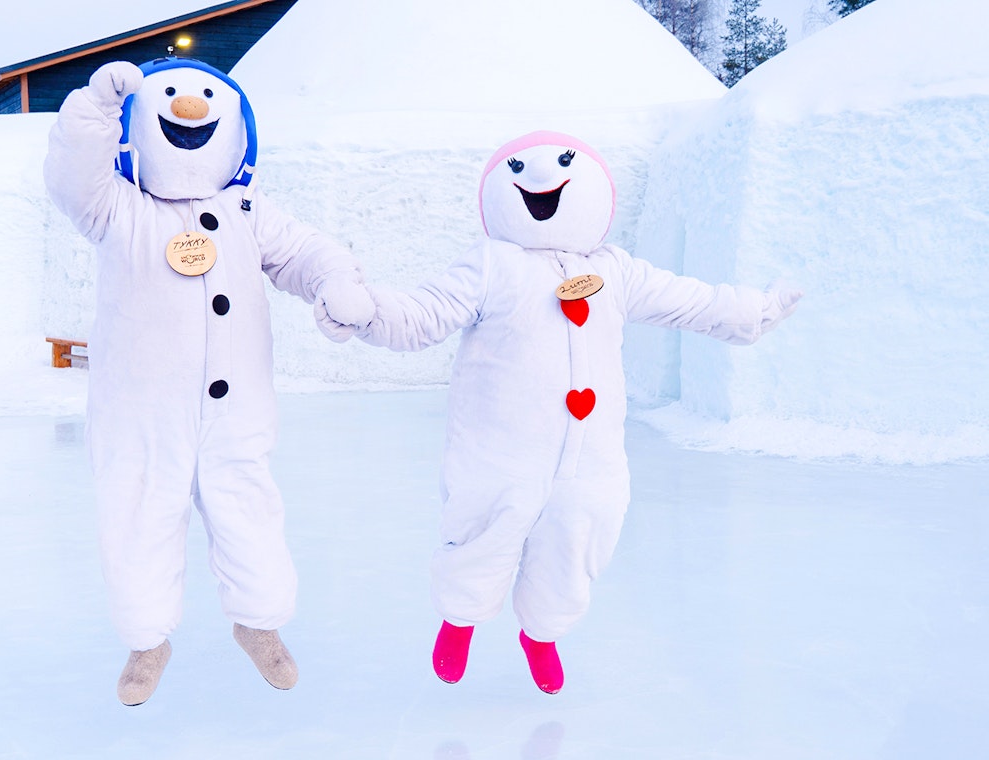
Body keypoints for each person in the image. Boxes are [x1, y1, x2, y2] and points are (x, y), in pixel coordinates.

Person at [339, 131, 801, 693]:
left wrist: (756, 311)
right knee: (482, 533)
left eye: (561, 168)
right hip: (499, 452)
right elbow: (424, 314)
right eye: (519, 172)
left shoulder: (615, 270)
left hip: (591, 460)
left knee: (578, 542)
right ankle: (459, 620)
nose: (540, 182)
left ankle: (542, 634)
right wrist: (367, 313)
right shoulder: (491, 264)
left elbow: (691, 300)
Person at [43, 58, 374, 705]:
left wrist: (337, 284)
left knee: (250, 512)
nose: (190, 110)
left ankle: (260, 624)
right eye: (171, 100)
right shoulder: (117, 207)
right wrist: (93, 110)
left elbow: (306, 253)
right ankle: (146, 642)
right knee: (137, 517)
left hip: (236, 410)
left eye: (207, 101)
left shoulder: (247, 209)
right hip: (141, 414)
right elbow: (69, 176)